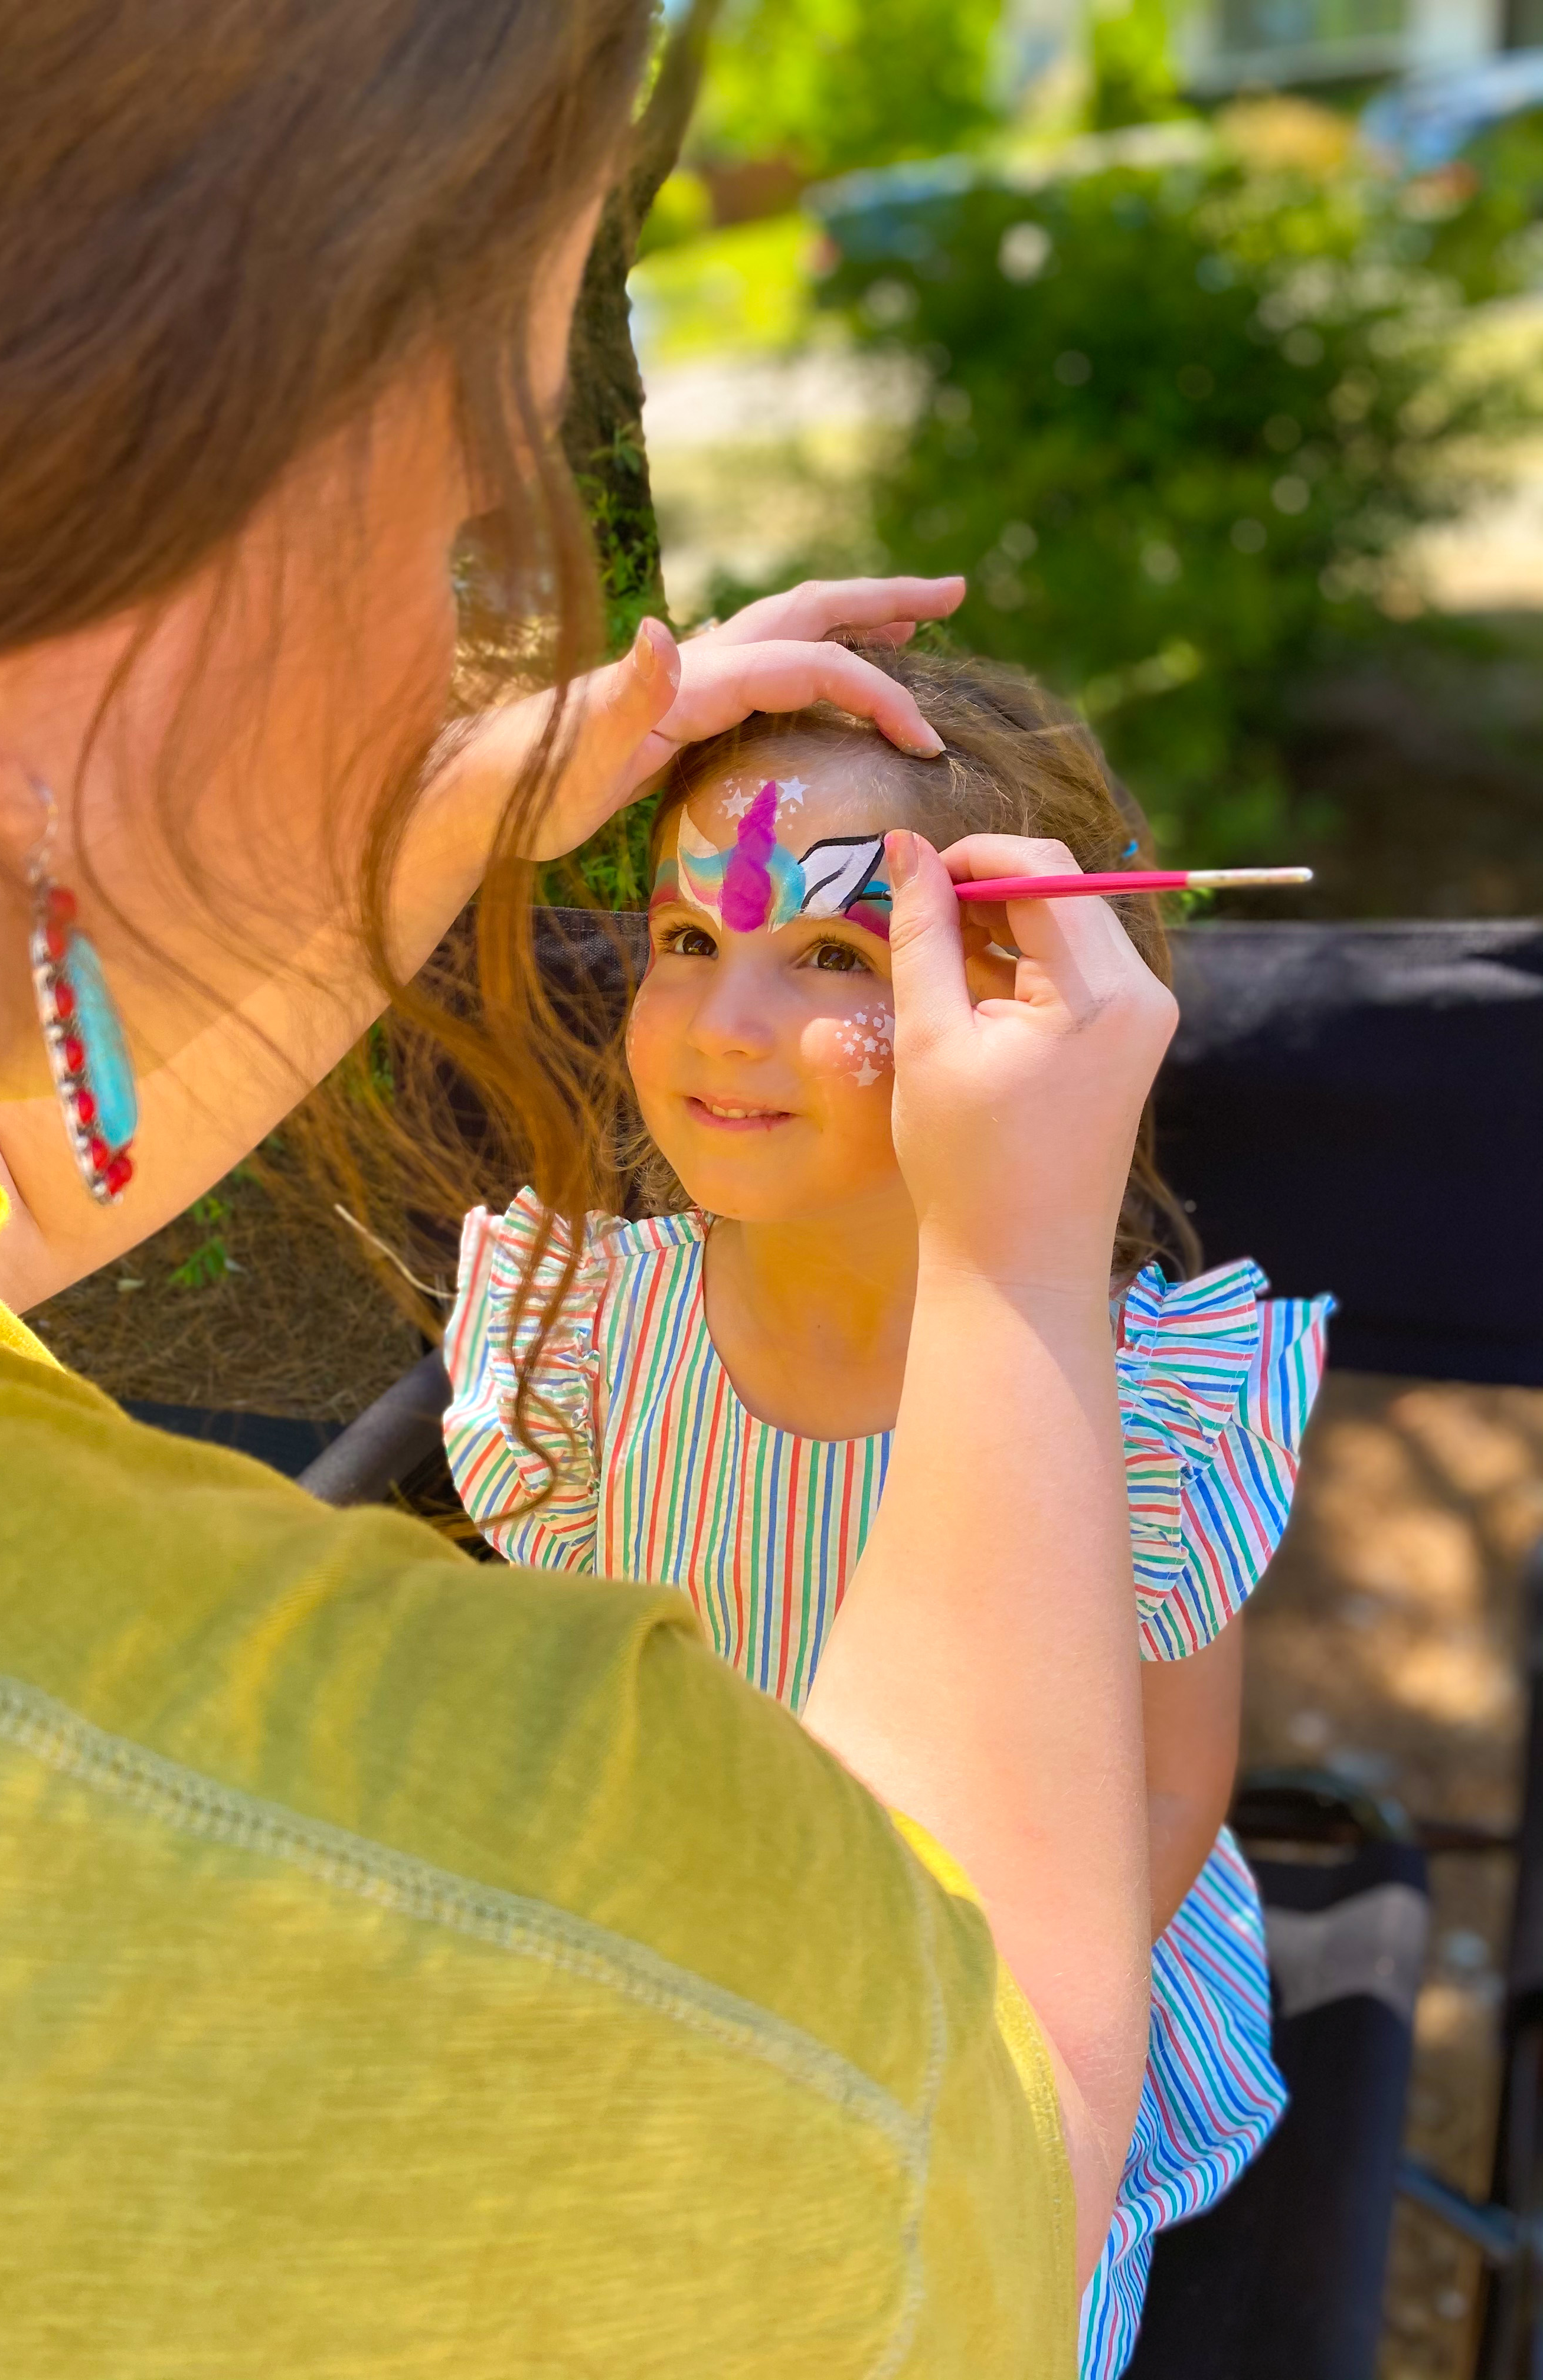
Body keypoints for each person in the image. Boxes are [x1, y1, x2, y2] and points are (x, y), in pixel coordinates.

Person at [0, 3, 1173, 2368]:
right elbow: (960, 2116)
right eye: (470, 529)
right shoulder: (548, 1882)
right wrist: (1019, 1278)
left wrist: (463, 799)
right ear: (66, 599)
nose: (465, 642)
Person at [445, 648, 1333, 2378]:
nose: (724, 1026)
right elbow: (565, 1722)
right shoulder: (578, 1335)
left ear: (1009, 1000)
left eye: (835, 956)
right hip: (684, 1952)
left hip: (1007, 2011)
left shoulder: (1140, 1396)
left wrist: (887, 2027)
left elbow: (1158, 1786)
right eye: (691, 941)